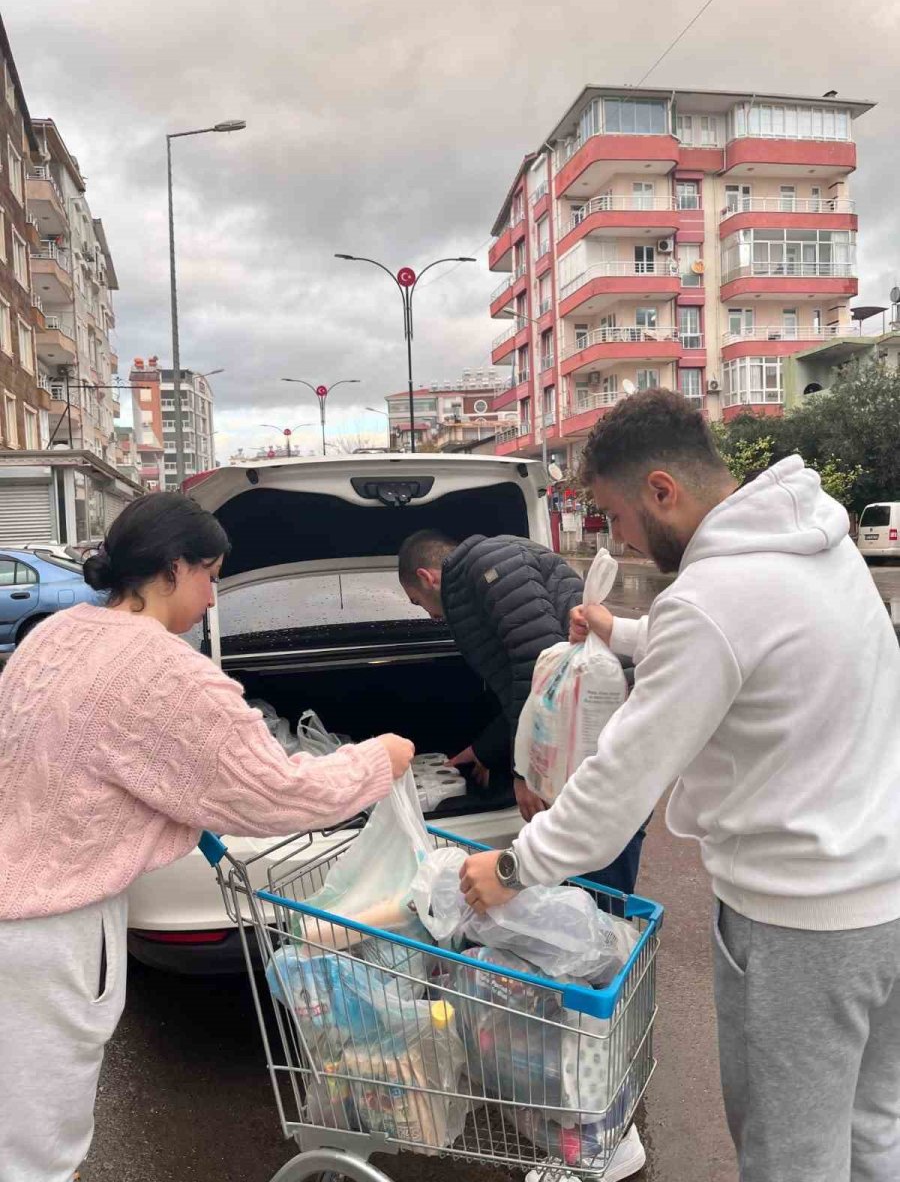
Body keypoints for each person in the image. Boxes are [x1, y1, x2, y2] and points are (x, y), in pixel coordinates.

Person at [459, 389, 900, 1182]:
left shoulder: (709, 600)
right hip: (887, 897)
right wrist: (620, 630)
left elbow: (619, 783)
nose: (615, 536)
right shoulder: (812, 541)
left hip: (801, 922)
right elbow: (749, 645)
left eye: (617, 517)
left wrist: (512, 867)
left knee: (790, 1159)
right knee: (873, 1133)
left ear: (662, 489)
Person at [0, 492, 414, 1182]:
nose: (214, 599)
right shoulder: (168, 671)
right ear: (171, 569)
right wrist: (382, 759)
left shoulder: (55, 633)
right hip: (54, 930)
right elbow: (279, 793)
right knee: (39, 1152)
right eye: (211, 576)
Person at [399, 529, 648, 1182]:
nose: (436, 621)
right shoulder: (503, 559)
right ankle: (592, 1102)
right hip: (599, 767)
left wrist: (526, 769)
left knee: (588, 930)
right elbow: (529, 674)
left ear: (429, 580)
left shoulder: (477, 570)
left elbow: (540, 676)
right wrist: (483, 751)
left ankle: (595, 1128)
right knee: (583, 925)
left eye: (426, 611)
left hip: (587, 771)